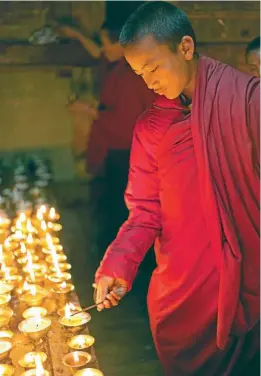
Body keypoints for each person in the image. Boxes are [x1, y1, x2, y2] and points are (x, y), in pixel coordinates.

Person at [93, 2, 260, 376]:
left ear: (185, 47)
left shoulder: (248, 102)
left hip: (245, 281)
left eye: (153, 67)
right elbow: (144, 210)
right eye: (139, 72)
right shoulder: (152, 127)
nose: (148, 81)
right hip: (181, 286)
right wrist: (118, 263)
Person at [61, 20, 155, 253]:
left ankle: (119, 258)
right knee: (110, 204)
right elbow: (99, 54)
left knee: (119, 207)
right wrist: (78, 34)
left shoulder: (132, 77)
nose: (103, 49)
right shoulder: (117, 66)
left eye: (107, 44)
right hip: (116, 149)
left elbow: (126, 124)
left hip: (127, 152)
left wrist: (88, 110)